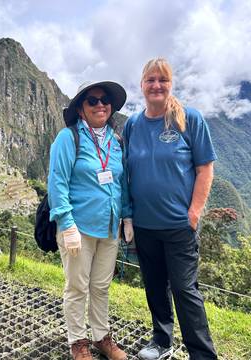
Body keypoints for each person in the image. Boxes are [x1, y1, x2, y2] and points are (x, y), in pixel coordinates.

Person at [123, 58, 218, 360]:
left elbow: (205, 169)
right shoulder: (133, 125)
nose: (156, 86)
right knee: (154, 287)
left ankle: (201, 355)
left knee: (184, 291)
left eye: (162, 80)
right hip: (144, 225)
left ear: (171, 84)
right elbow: (126, 171)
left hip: (179, 226)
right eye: (150, 80)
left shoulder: (188, 119)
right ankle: (161, 342)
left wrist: (193, 214)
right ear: (142, 85)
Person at [48, 80, 133, 360]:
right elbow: (57, 182)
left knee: (100, 286)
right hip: (79, 228)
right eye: (93, 101)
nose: (101, 104)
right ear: (81, 109)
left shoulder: (116, 141)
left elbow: (121, 183)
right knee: (77, 286)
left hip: (109, 228)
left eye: (105, 99)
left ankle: (101, 336)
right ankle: (78, 341)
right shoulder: (68, 138)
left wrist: (127, 216)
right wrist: (66, 222)